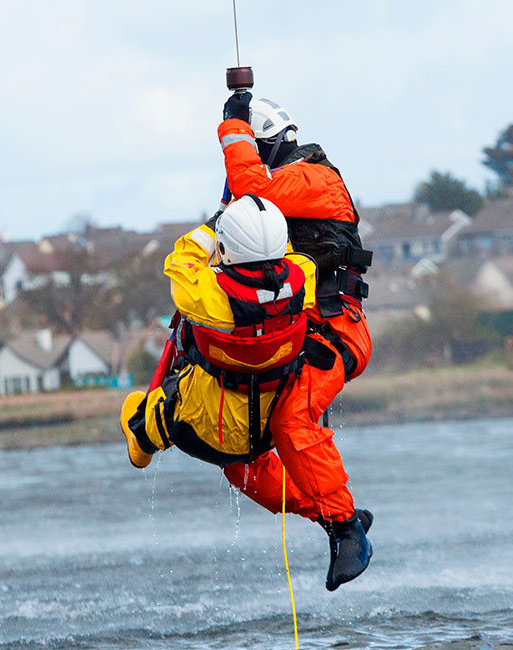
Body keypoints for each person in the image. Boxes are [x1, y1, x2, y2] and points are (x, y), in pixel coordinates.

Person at [121, 194, 372, 591]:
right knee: (253, 469)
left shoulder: (208, 296)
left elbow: (180, 261)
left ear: (228, 249)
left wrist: (211, 226)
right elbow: (290, 255)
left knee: (141, 419)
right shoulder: (301, 276)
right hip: (265, 428)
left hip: (205, 430)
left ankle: (141, 443)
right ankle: (338, 517)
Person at [214, 93, 376, 560]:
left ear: (266, 146)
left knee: (291, 420)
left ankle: (346, 529)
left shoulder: (315, 178)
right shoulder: (262, 202)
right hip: (290, 334)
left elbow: (252, 189)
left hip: (335, 329)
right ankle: (335, 516)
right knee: (238, 457)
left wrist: (232, 130)